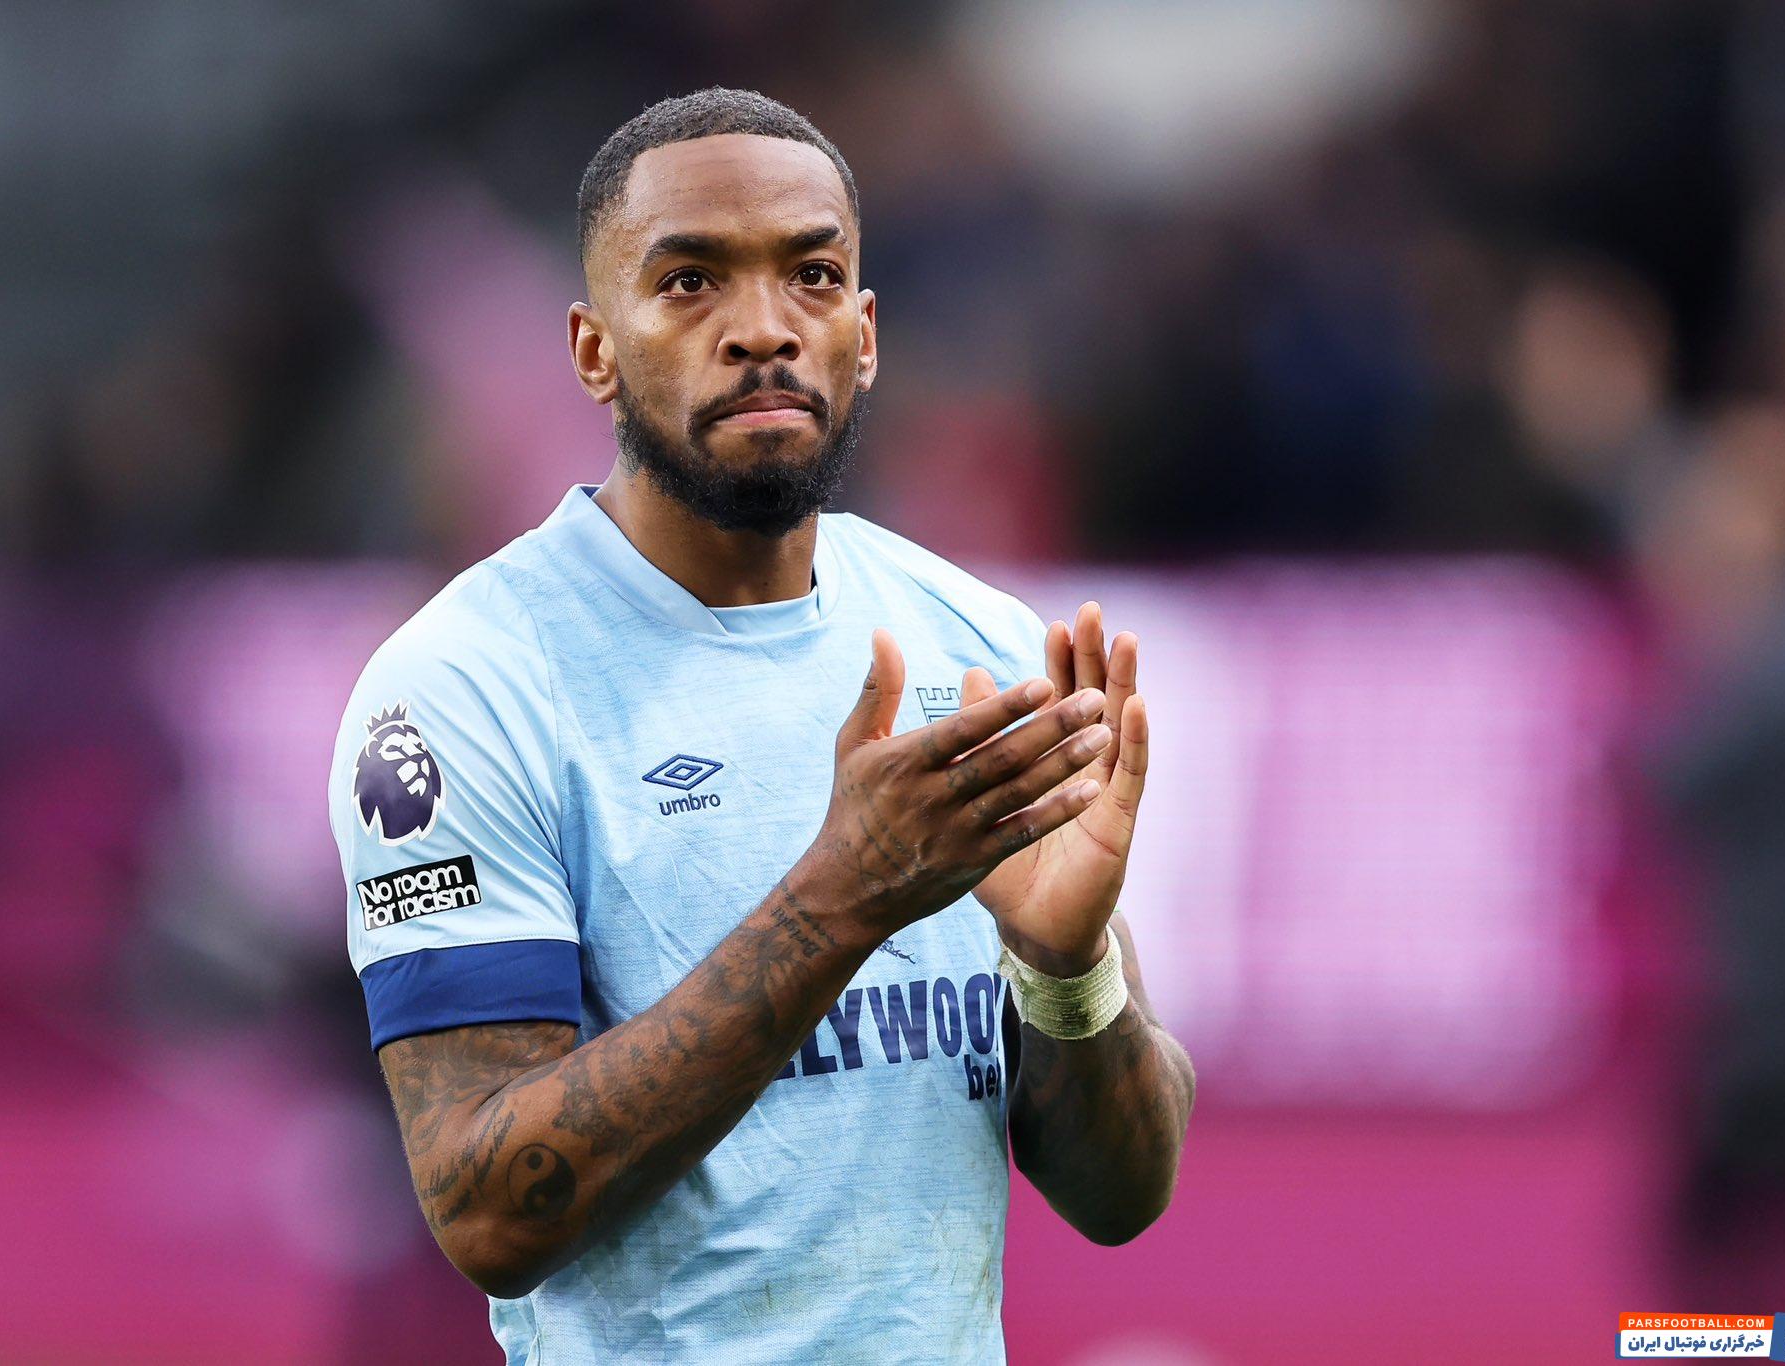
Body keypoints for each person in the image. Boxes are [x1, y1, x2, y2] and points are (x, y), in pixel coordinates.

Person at [328, 88, 1195, 1364]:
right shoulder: (465, 687)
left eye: (812, 275)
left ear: (865, 334)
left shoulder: (979, 648)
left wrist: (1066, 972)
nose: (763, 328)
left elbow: (1123, 1197)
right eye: (689, 282)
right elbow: (487, 1209)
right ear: (592, 350)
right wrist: (842, 897)